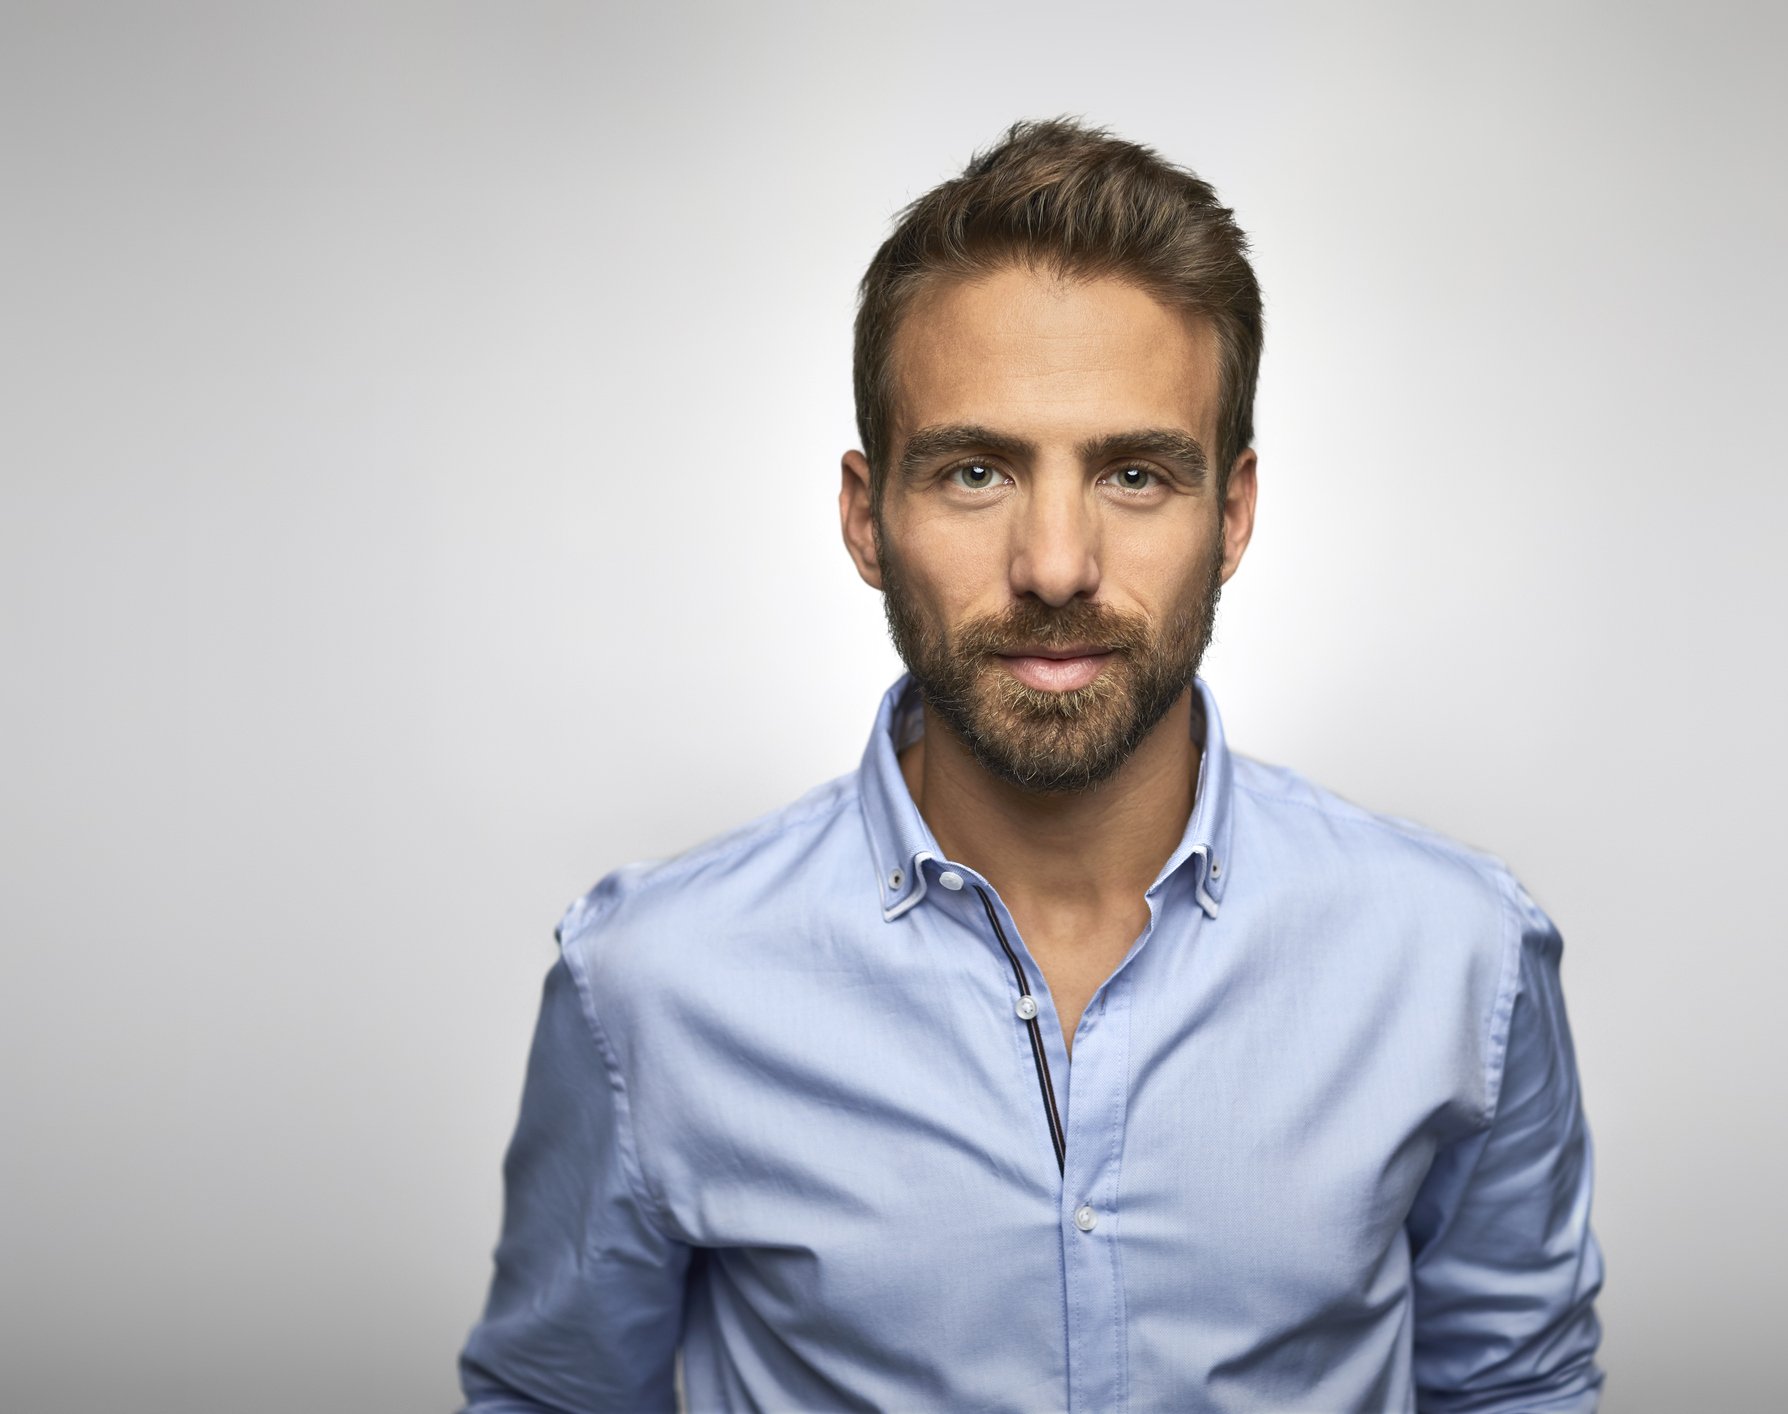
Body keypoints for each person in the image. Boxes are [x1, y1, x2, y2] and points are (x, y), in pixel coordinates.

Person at [457, 116, 1605, 1413]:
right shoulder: (650, 985)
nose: (1054, 565)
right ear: (864, 513)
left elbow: (1516, 1389)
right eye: (974, 470)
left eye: (1131, 473)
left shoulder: (1457, 956)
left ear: (1230, 513)